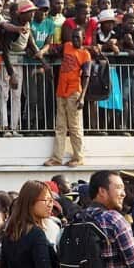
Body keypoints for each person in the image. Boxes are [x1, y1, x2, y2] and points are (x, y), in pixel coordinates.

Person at [46, 27, 91, 167]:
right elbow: (54, 50)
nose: (75, 40)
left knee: (75, 127)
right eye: (73, 37)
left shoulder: (85, 54)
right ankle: (57, 158)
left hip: (74, 92)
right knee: (60, 126)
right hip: (61, 91)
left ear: (83, 38)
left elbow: (86, 77)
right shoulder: (67, 46)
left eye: (78, 37)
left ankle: (78, 157)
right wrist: (48, 47)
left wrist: (82, 97)